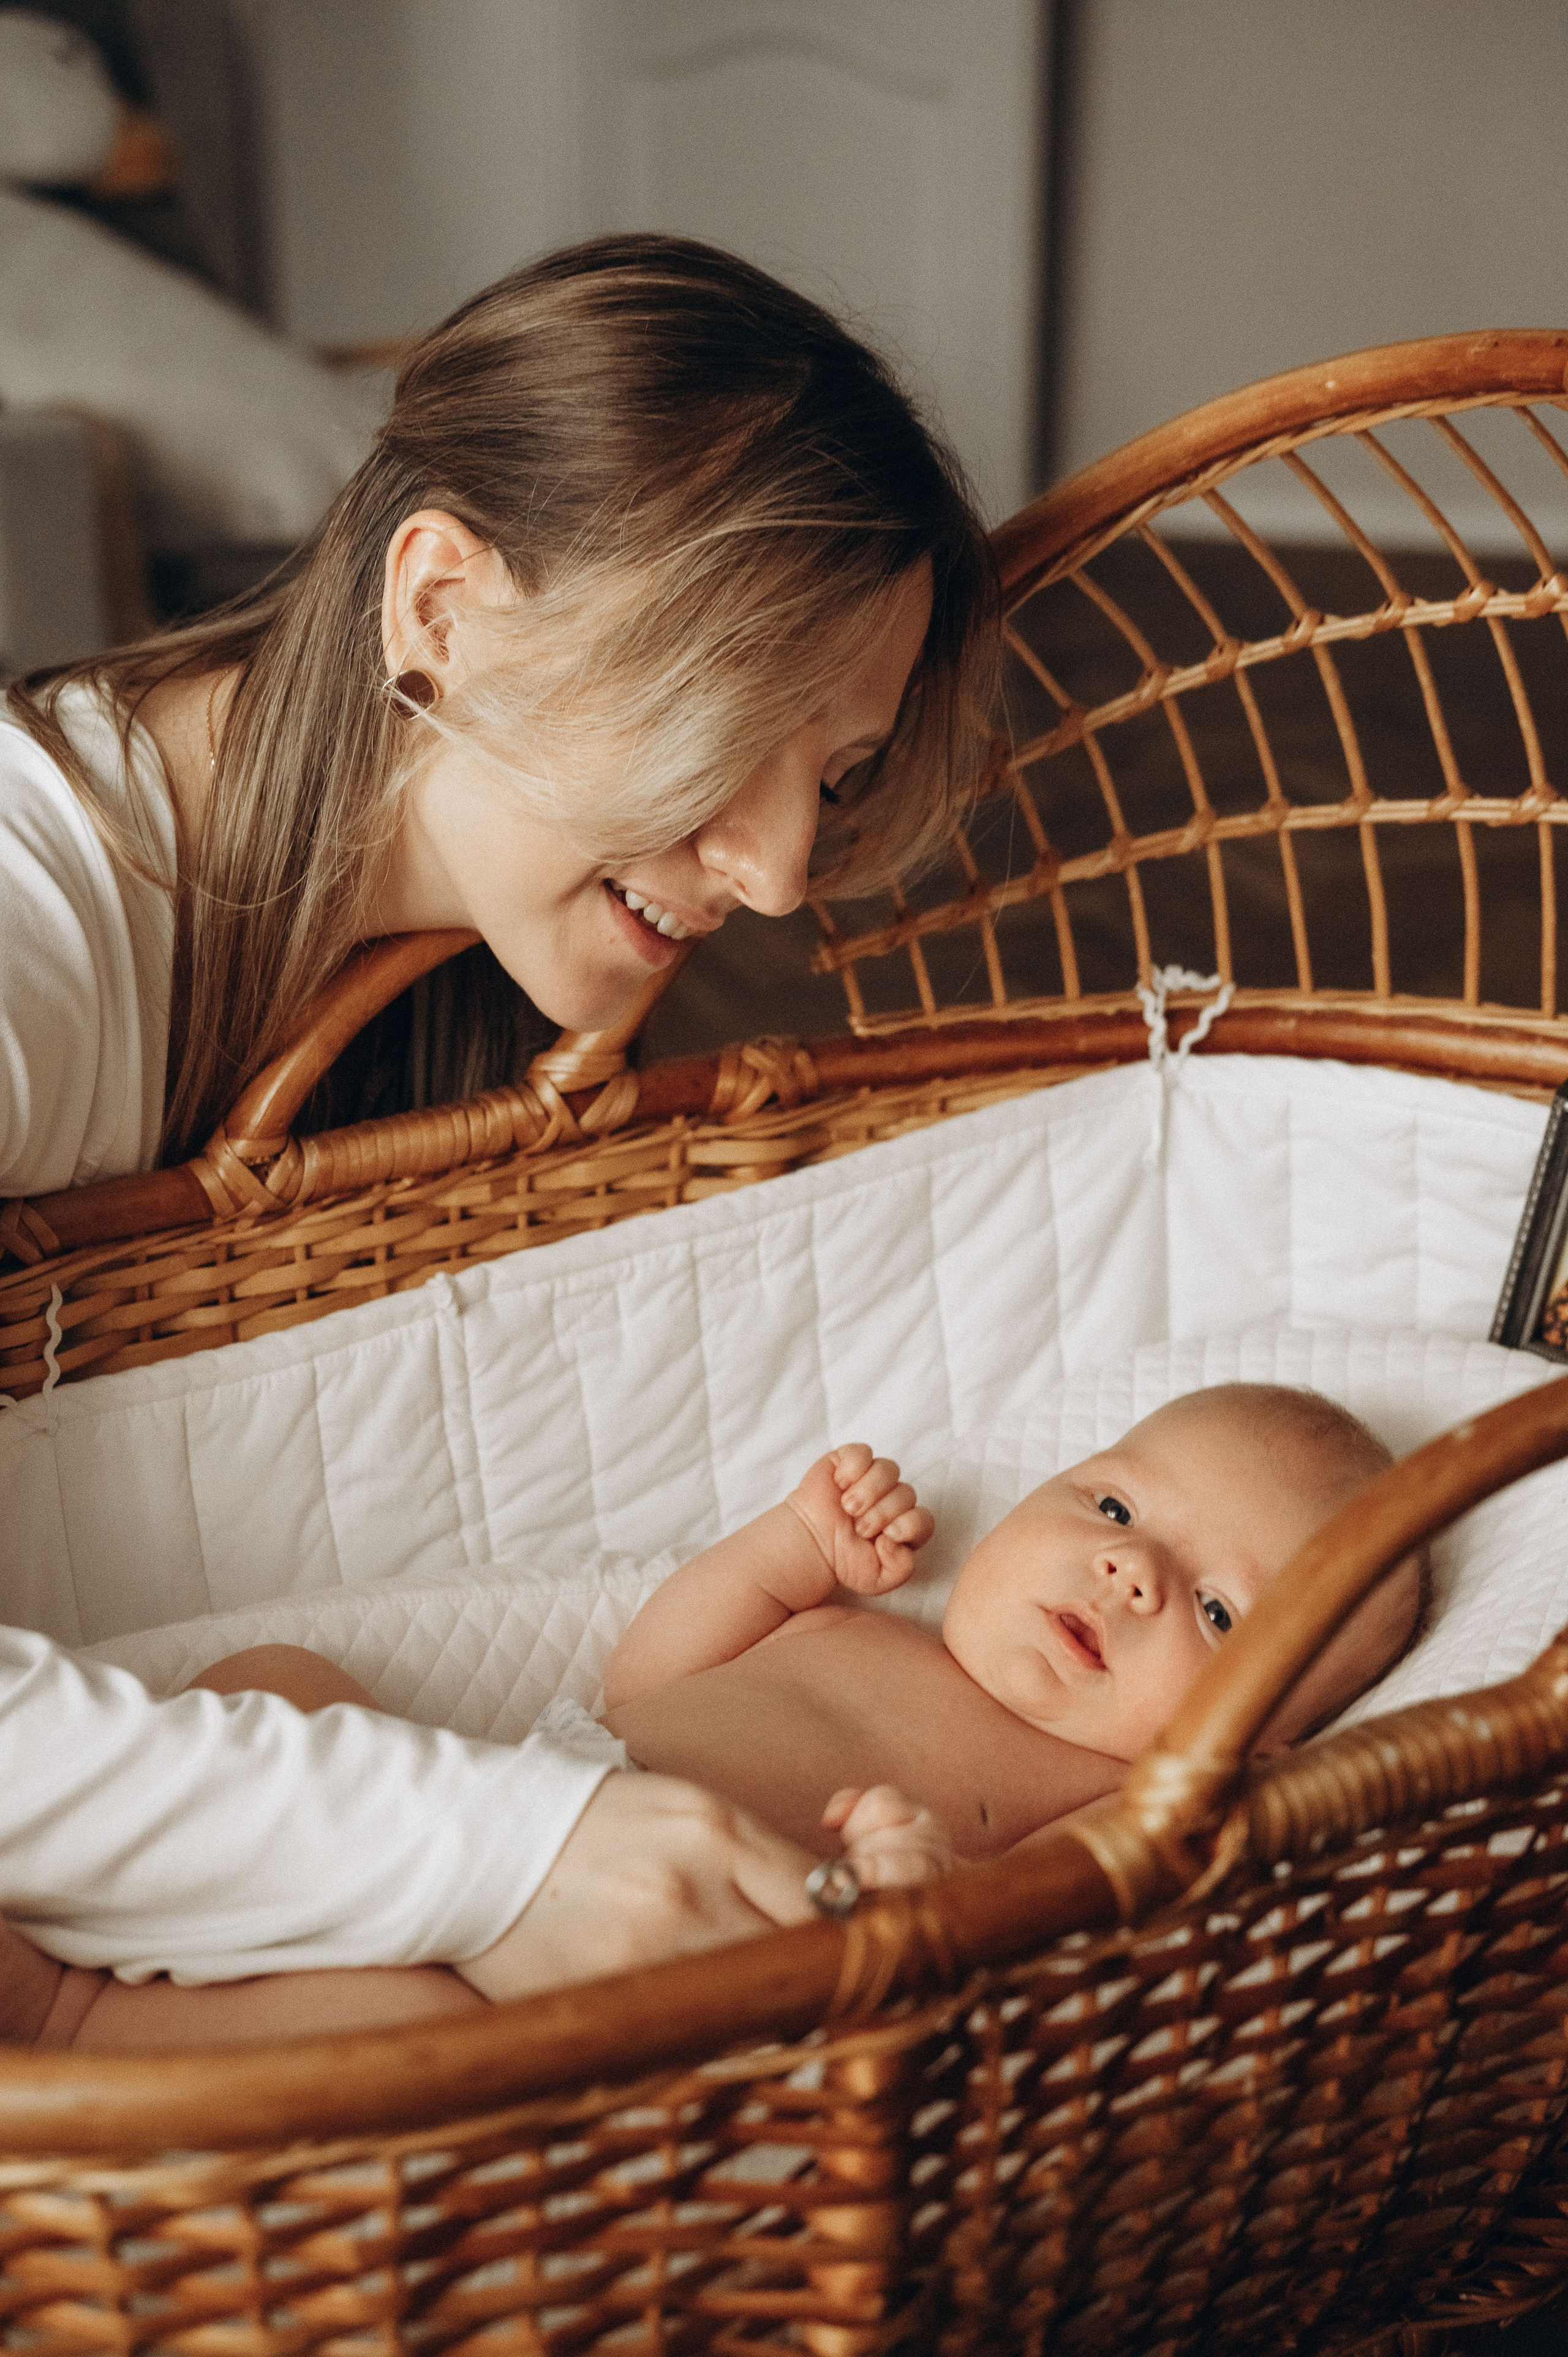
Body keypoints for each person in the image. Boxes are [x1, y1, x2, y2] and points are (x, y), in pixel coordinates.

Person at [0, 233, 1001, 2016]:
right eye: (734, 727)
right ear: (441, 611)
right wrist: (505, 1847)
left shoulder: (439, 1005)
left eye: (833, 776)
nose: (779, 875)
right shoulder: (28, 919)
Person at [23, 1382, 1426, 2047]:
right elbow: (644, 1687)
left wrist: (917, 1896)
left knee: (407, 2020)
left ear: (1263, 1744)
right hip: (542, 1795)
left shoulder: (1109, 1796)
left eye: (1218, 1613)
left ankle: (79, 2016)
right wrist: (786, 1552)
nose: (1128, 1568)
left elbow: (1048, 1941)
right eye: (1112, 1505)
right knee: (279, 1679)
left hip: (645, 1955)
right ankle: (125, 1920)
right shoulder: (859, 1620)